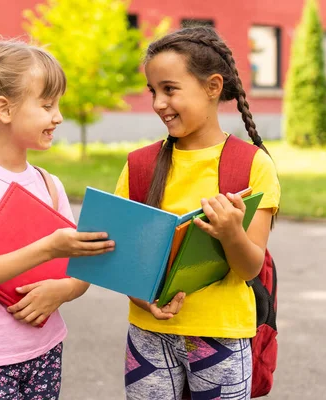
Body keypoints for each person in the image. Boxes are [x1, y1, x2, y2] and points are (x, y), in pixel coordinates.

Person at [0, 41, 114, 399]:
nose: (58, 116)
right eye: (46, 105)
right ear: (4, 109)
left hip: (46, 349)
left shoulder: (50, 184)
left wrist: (65, 290)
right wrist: (47, 248)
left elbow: (78, 270)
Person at [115, 26, 281, 399]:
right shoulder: (139, 166)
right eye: (153, 91)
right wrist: (140, 296)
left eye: (170, 89)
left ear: (213, 86)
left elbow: (250, 267)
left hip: (221, 334)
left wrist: (231, 232)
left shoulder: (253, 166)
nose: (159, 103)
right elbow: (121, 256)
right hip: (147, 333)